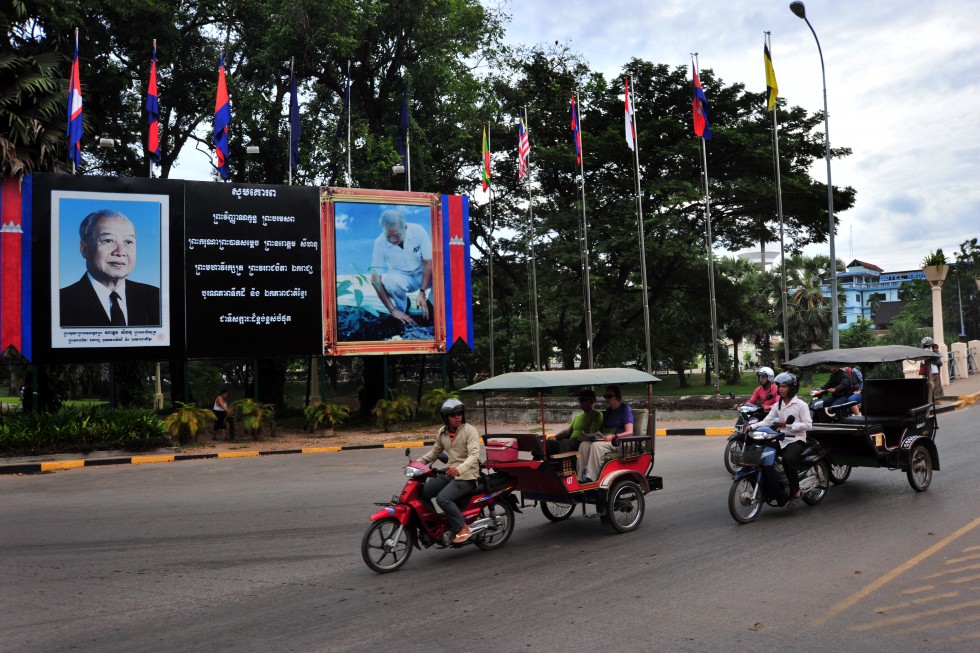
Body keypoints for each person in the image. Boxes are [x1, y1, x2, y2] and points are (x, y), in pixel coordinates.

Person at [59, 209, 161, 327]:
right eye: (108, 240)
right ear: (85, 249)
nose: (120, 252)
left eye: (128, 242)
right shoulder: (60, 303)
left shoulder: (156, 297)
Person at [417, 398, 481, 543]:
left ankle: (462, 527)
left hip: (466, 475)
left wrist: (459, 469)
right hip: (450, 473)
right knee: (422, 493)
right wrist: (417, 463)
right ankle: (435, 524)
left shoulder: (470, 431)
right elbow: (435, 452)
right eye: (453, 415)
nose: (457, 417)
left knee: (443, 499)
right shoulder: (443, 432)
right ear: (446, 418)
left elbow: (474, 455)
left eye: (459, 414)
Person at [368, 209, 432, 326]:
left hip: (423, 272)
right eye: (388, 236)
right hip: (401, 275)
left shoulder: (418, 231)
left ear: (405, 228)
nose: (392, 240)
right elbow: (375, 279)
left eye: (397, 235)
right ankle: (401, 310)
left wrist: (422, 292)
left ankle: (432, 305)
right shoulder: (379, 243)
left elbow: (428, 262)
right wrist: (392, 310)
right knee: (390, 282)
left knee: (444, 271)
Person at [759, 371, 812, 508]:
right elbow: (766, 421)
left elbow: (808, 425)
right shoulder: (778, 405)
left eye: (784, 386)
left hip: (797, 439)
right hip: (782, 439)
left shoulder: (801, 405)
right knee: (764, 455)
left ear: (791, 388)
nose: (780, 389)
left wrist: (788, 424)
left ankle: (796, 492)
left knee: (788, 459)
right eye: (779, 386)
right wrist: (750, 426)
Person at [577, 385, 633, 484]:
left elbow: (629, 432)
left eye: (609, 396)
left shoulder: (625, 409)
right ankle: (579, 478)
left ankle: (591, 478)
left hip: (620, 442)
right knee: (584, 445)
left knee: (596, 446)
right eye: (605, 396)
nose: (606, 399)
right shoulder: (608, 412)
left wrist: (614, 436)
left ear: (617, 397)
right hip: (607, 440)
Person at [546, 389, 604, 455]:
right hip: (571, 441)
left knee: (565, 442)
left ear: (592, 401)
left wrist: (578, 439)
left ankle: (563, 464)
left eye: (583, 401)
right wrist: (555, 437)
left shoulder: (597, 415)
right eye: (580, 401)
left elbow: (591, 434)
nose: (581, 403)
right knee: (548, 442)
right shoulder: (577, 416)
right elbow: (567, 431)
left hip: (581, 442)